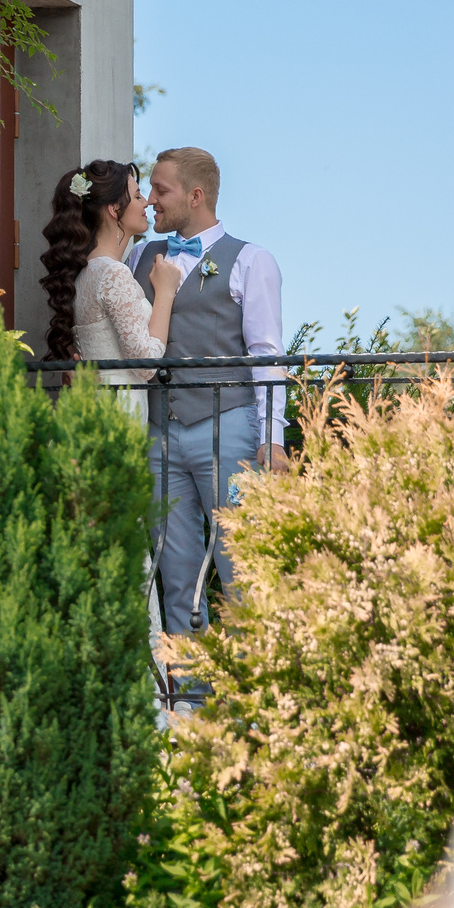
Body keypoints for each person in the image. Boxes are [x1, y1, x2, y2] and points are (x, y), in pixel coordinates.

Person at [128, 146, 287, 639]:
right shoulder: (138, 257)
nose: (151, 200)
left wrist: (273, 438)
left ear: (195, 196)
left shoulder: (251, 261)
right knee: (175, 572)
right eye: (149, 189)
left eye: (161, 190)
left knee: (240, 565)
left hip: (230, 428)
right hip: (159, 433)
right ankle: (189, 684)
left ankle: (250, 682)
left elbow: (266, 353)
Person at [39, 159, 182, 421]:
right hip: (119, 408)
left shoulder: (83, 272)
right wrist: (165, 292)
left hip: (92, 404)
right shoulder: (114, 273)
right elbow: (145, 364)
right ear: (115, 209)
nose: (146, 203)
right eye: (137, 196)